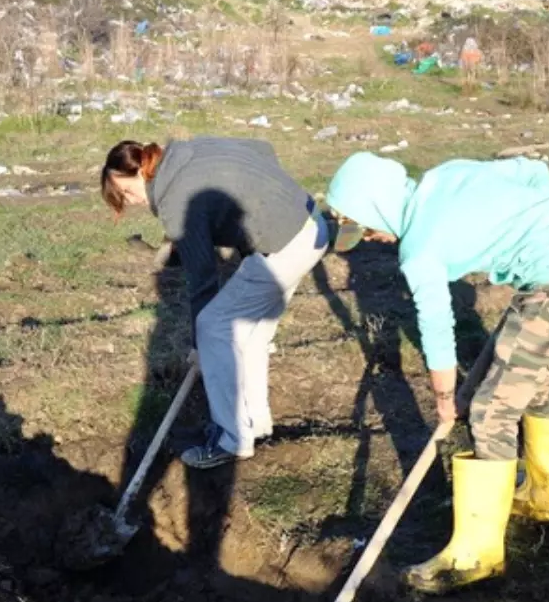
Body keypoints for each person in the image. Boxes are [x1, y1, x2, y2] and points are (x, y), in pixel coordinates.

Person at [325, 151, 549, 593]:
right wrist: (535, 227)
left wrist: (444, 399)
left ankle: (476, 554)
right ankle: (542, 499)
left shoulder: (419, 246)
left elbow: (436, 324)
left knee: (490, 410)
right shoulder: (443, 176)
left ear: (376, 207)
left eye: (365, 227)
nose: (372, 239)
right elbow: (532, 171)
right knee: (529, 387)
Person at [101, 137, 361, 469]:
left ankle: (230, 437)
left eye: (125, 192)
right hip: (310, 225)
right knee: (249, 334)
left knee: (214, 327)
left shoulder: (176, 200)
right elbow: (263, 148)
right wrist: (264, 208)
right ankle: (255, 423)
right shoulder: (187, 151)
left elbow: (202, 279)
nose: (131, 201)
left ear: (140, 171)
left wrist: (200, 343)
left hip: (284, 245)